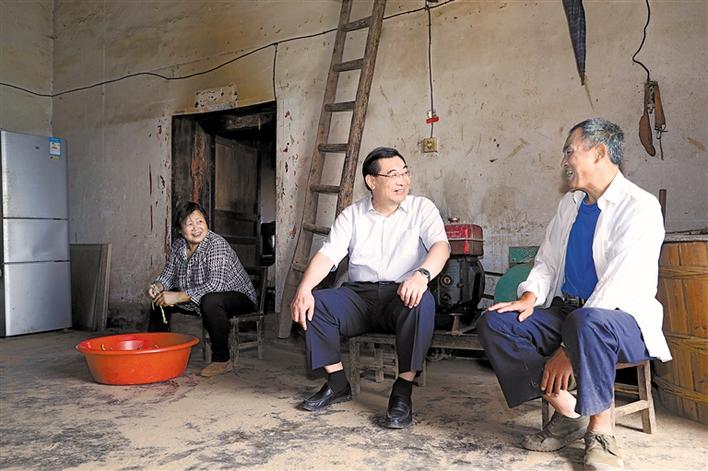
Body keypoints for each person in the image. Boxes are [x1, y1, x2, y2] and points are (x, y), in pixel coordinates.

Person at [478, 118, 672, 471]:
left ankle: (601, 433)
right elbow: (547, 261)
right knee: (496, 322)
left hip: (619, 322)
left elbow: (617, 284)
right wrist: (529, 296)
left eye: (570, 151)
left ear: (599, 153)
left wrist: (568, 348)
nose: (565, 160)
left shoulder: (639, 207)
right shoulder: (570, 204)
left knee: (587, 322)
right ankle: (569, 413)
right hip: (568, 312)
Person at [290, 147, 450, 429]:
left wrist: (421, 275)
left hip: (401, 294)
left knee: (421, 302)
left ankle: (402, 391)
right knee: (315, 302)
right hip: (358, 297)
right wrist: (304, 289)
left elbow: (441, 246)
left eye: (405, 173)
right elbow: (328, 255)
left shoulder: (421, 208)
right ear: (371, 181)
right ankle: (337, 382)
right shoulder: (352, 215)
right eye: (393, 174)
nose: (403, 180)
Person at [147, 201, 257, 377]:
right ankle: (155, 351)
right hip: (199, 297)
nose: (196, 228)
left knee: (210, 300)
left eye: (200, 221)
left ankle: (222, 360)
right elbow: (168, 275)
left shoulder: (216, 244)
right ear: (180, 229)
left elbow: (215, 286)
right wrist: (158, 286)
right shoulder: (178, 246)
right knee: (159, 299)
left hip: (239, 297)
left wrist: (178, 296)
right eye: (189, 224)